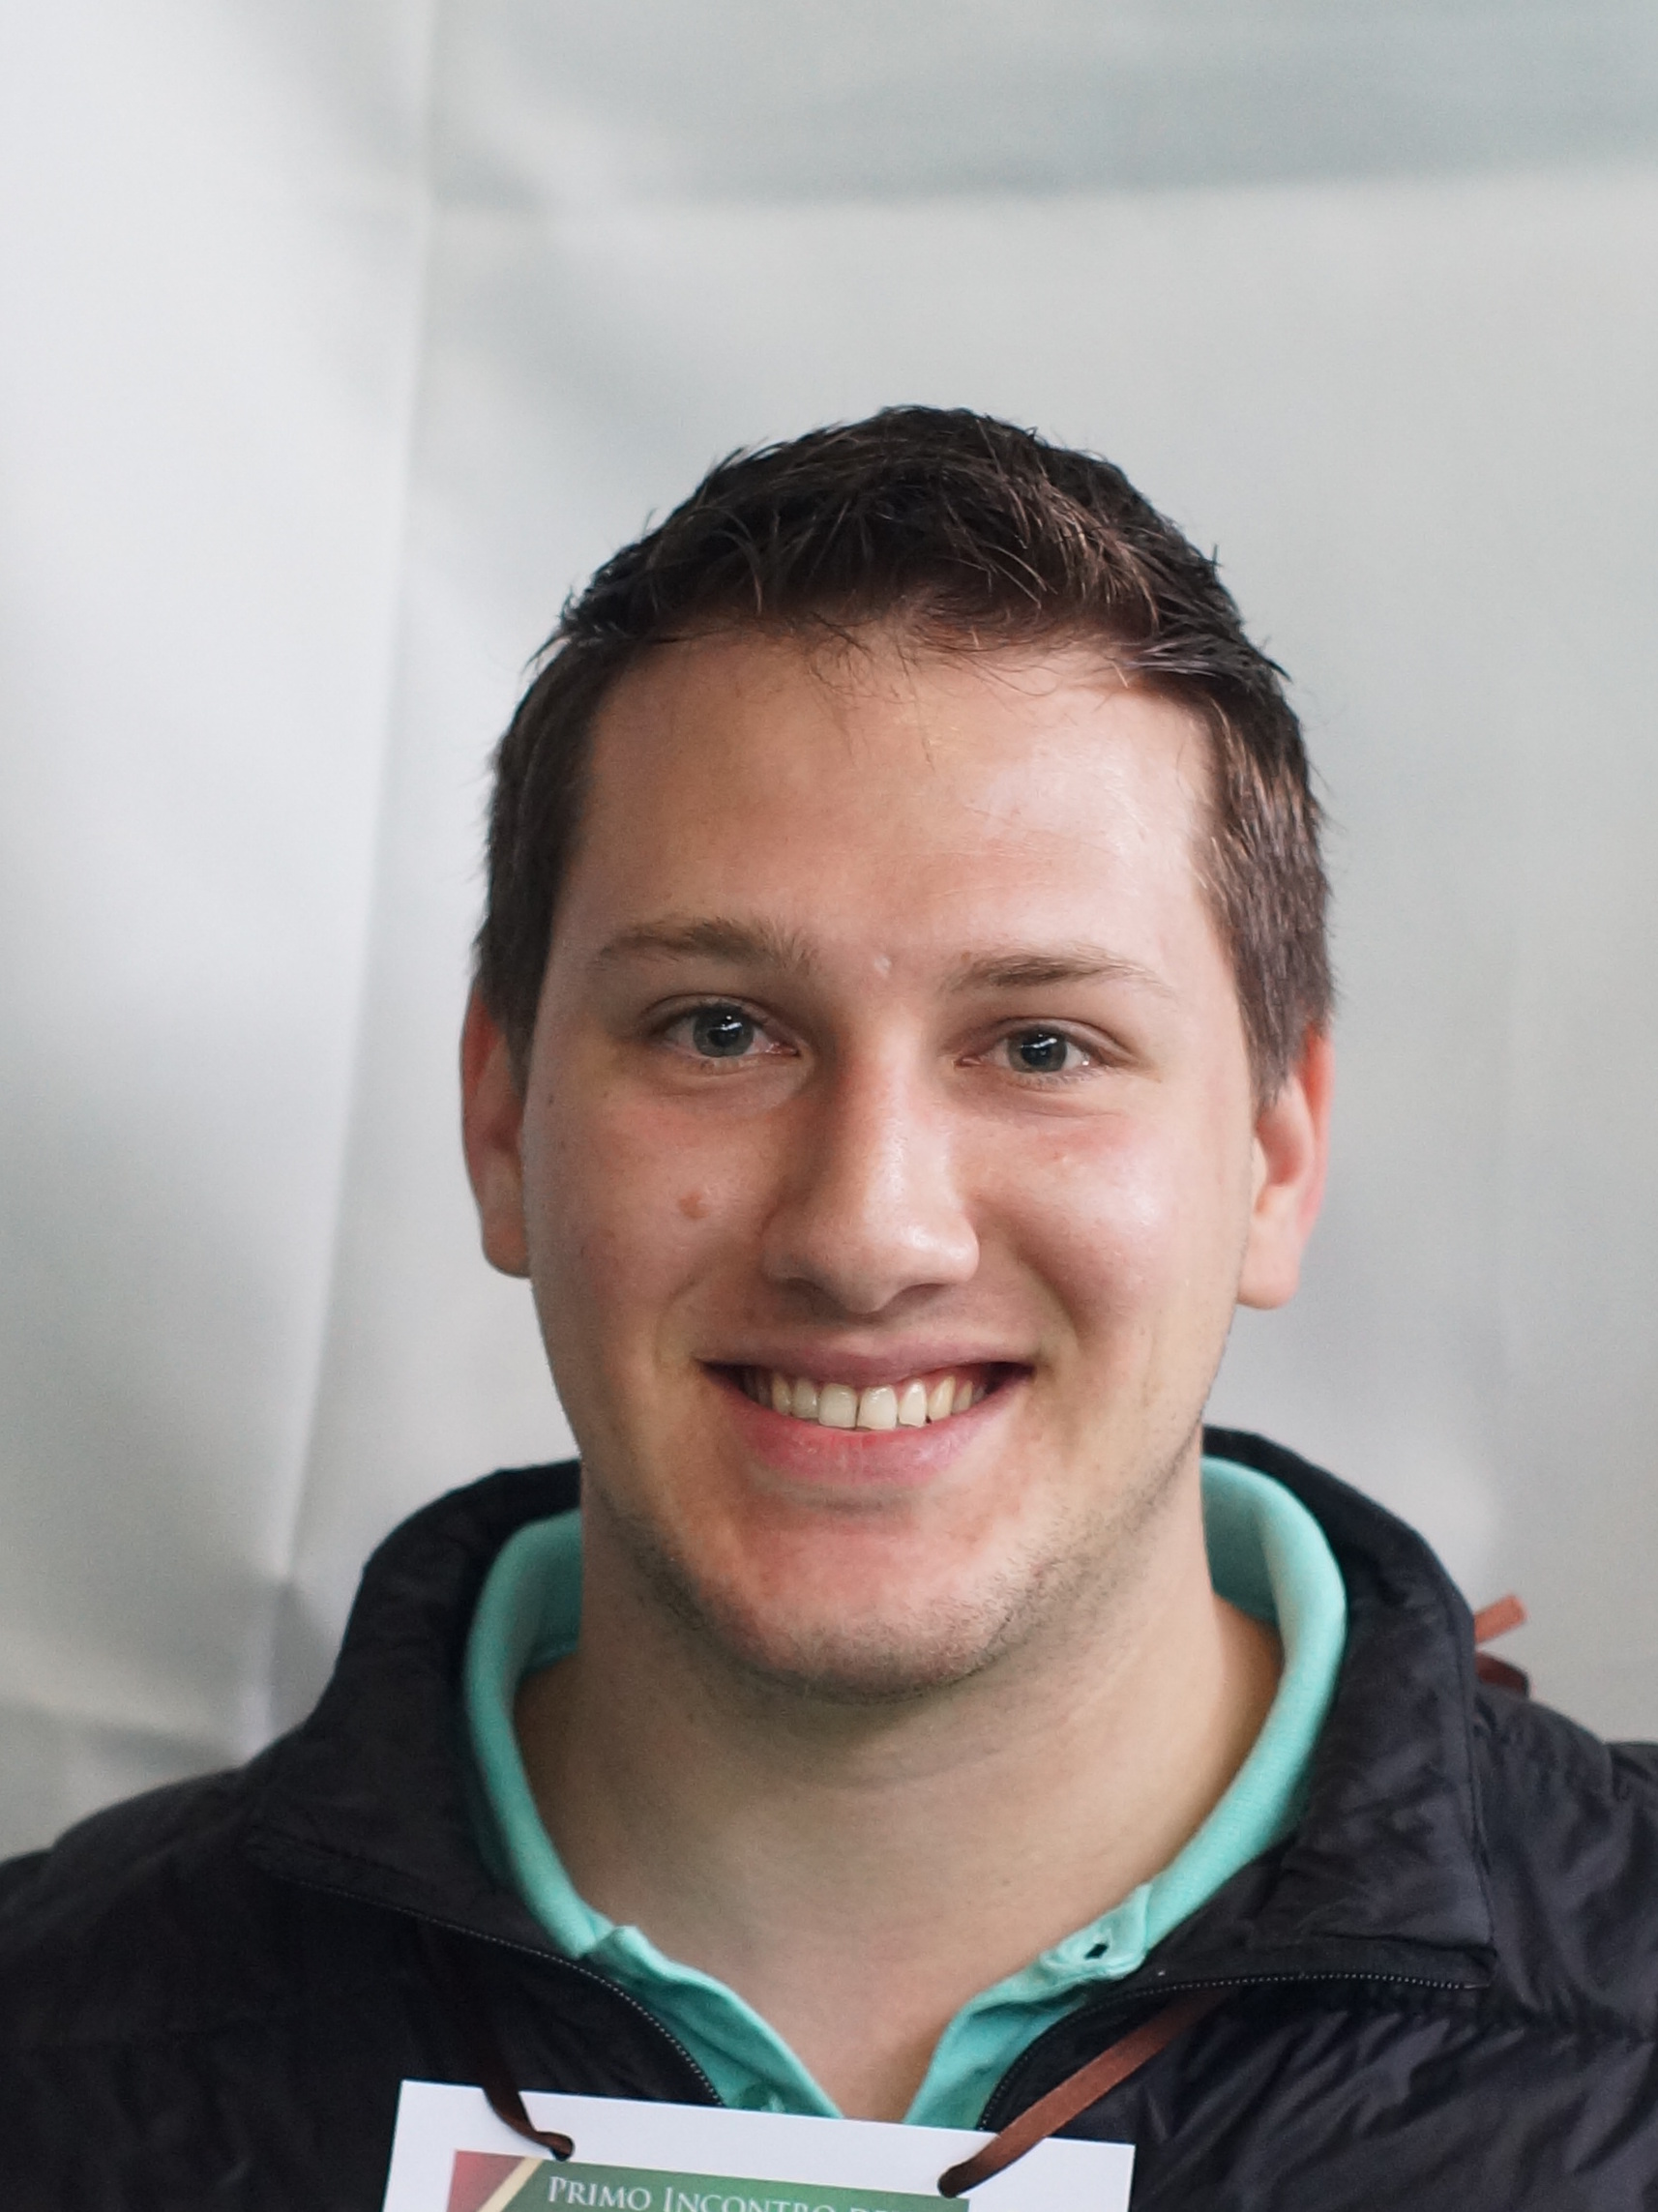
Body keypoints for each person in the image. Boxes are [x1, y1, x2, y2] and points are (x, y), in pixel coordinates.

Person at [2, 409, 1654, 2208]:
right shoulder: (44, 2060)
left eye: (1041, 1046)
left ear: (1273, 1157)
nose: (866, 1234)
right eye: (719, 1030)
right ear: (500, 1119)